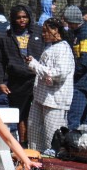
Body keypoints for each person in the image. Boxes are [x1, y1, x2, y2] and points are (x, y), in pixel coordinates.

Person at [0, 4, 44, 146]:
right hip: (17, 81)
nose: (22, 20)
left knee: (37, 113)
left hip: (37, 78)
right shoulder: (6, 37)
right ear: (13, 19)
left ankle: (38, 144)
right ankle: (23, 143)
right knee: (20, 113)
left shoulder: (38, 32)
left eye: (25, 17)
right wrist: (1, 82)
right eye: (19, 18)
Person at [26, 17, 75, 152]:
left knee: (52, 137)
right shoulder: (51, 47)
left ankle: (53, 162)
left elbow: (59, 73)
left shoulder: (64, 49)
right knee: (34, 133)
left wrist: (35, 65)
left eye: (46, 31)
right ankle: (35, 158)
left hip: (55, 101)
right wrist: (35, 64)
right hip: (40, 98)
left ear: (55, 30)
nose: (43, 34)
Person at [65, 5, 87, 130]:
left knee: (74, 120)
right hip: (81, 82)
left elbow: (85, 60)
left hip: (83, 83)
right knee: (84, 121)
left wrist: (71, 74)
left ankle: (73, 139)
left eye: (70, 23)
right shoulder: (77, 32)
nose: (69, 26)